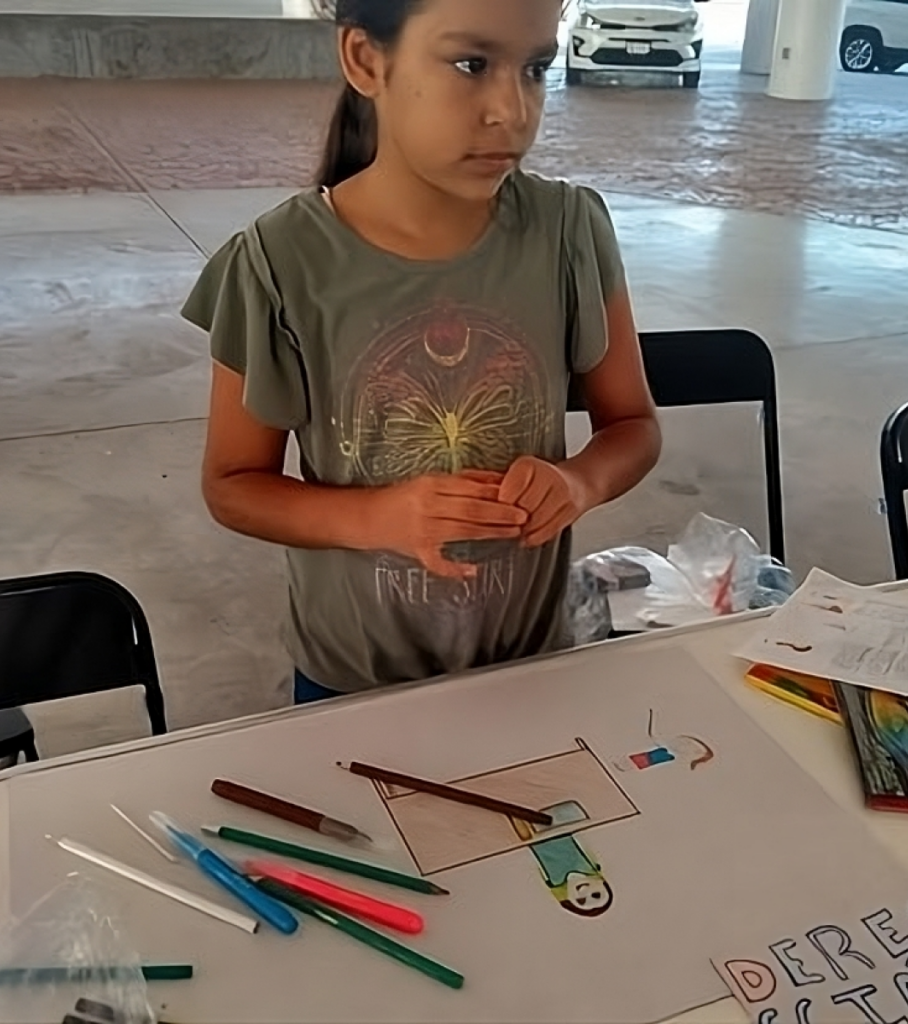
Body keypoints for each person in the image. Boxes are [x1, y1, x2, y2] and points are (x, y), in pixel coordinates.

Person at [183, 0, 661, 703]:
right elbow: (232, 484)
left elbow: (634, 427)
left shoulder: (568, 232)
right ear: (365, 61)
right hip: (352, 681)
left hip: (530, 662)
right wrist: (372, 518)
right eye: (471, 64)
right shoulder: (277, 267)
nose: (512, 110)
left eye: (534, 69)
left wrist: (578, 482)